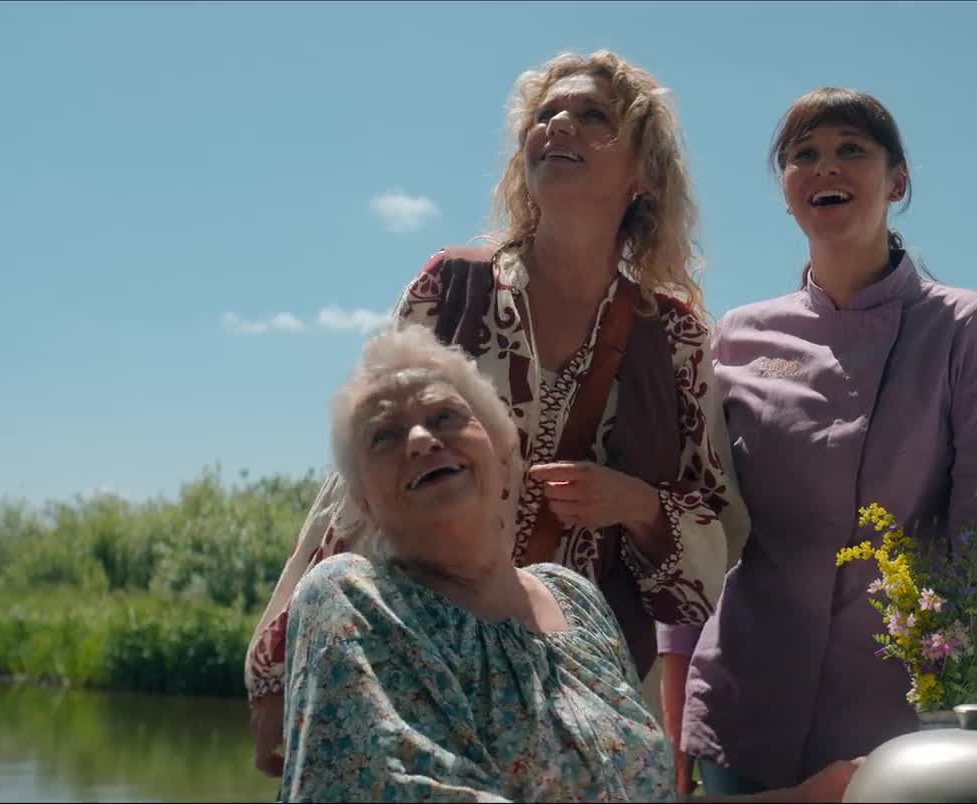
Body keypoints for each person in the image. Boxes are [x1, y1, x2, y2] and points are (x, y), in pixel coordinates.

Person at [246, 49, 744, 778]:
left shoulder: (676, 336)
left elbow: (715, 540)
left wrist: (636, 505)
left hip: (579, 677)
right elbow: (357, 486)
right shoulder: (451, 288)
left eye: (592, 116)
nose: (559, 125)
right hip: (416, 652)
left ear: (643, 172)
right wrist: (278, 664)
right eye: (546, 115)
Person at [277, 323, 856, 802]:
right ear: (362, 503)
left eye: (447, 416)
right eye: (384, 436)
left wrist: (811, 797)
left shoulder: (573, 598)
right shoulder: (351, 598)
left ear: (503, 449)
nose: (423, 440)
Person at [658, 87, 977, 795]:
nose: (825, 167)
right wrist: (677, 696)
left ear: (897, 182)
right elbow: (696, 521)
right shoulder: (737, 337)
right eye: (803, 155)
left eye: (851, 150)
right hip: (739, 714)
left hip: (902, 732)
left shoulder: (967, 328)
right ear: (786, 193)